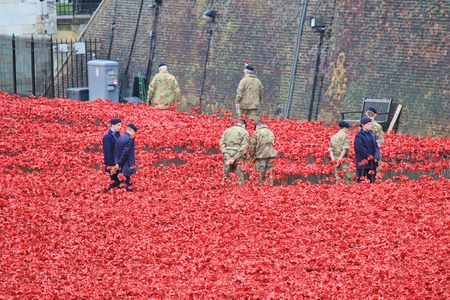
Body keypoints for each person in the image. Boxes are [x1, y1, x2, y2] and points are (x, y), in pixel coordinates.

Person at [219, 119, 250, 185]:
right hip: (239, 157)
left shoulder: (227, 131)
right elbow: (244, 146)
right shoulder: (244, 132)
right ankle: (239, 192)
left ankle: (224, 191)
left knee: (226, 176)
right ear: (244, 125)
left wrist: (226, 155)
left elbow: (221, 143)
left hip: (228, 156)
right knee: (239, 177)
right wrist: (235, 157)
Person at [112, 123, 138, 191]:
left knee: (122, 189)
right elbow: (125, 154)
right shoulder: (129, 140)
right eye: (134, 132)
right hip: (128, 168)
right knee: (128, 189)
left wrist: (117, 163)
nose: (134, 135)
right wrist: (119, 163)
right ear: (132, 130)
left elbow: (116, 152)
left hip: (121, 169)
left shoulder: (119, 138)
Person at [354, 117, 380, 183]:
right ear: (363, 125)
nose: (369, 126)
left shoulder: (371, 134)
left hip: (372, 162)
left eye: (370, 124)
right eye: (368, 124)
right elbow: (360, 148)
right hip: (363, 161)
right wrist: (369, 156)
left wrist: (376, 156)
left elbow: (376, 146)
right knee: (361, 180)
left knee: (372, 180)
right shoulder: (359, 135)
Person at [102, 118, 122, 190]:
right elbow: (107, 153)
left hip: (118, 162)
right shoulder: (107, 137)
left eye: (120, 125)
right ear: (112, 125)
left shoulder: (117, 135)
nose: (120, 127)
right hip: (113, 162)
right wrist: (111, 166)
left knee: (118, 181)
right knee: (114, 181)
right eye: (118, 125)